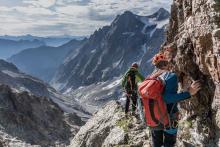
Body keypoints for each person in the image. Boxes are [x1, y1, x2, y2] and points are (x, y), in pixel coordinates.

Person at [150, 52, 201, 147]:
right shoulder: (171, 76)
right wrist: (189, 92)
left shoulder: (151, 78)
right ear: (167, 63)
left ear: (156, 66)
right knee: (169, 143)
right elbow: (168, 98)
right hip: (170, 116)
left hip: (153, 117)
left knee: (156, 144)